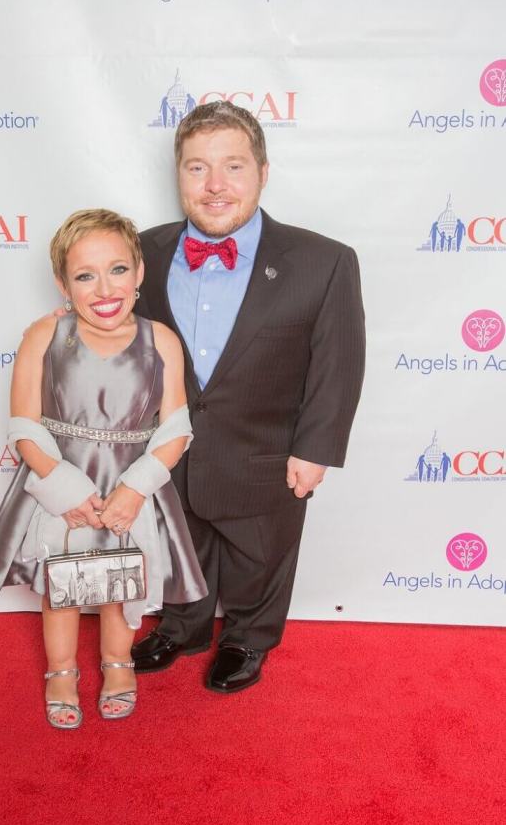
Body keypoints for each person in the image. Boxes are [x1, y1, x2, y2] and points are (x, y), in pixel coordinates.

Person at [131, 100, 365, 693]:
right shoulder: (140, 253)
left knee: (262, 556)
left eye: (233, 167)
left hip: (267, 452)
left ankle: (247, 638)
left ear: (263, 171)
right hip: (171, 452)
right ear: (178, 175)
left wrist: (315, 450)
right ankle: (183, 627)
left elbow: (338, 367)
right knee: (181, 548)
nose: (214, 186)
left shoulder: (325, 261)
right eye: (196, 168)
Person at [0, 210, 207, 729]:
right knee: (63, 584)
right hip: (61, 480)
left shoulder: (160, 340)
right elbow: (25, 426)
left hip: (131, 486)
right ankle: (60, 671)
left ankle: (118, 666)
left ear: (139, 272)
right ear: (63, 283)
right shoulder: (43, 337)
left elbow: (175, 430)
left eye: (117, 270)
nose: (104, 287)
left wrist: (135, 489)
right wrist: (64, 488)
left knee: (121, 583)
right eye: (85, 275)